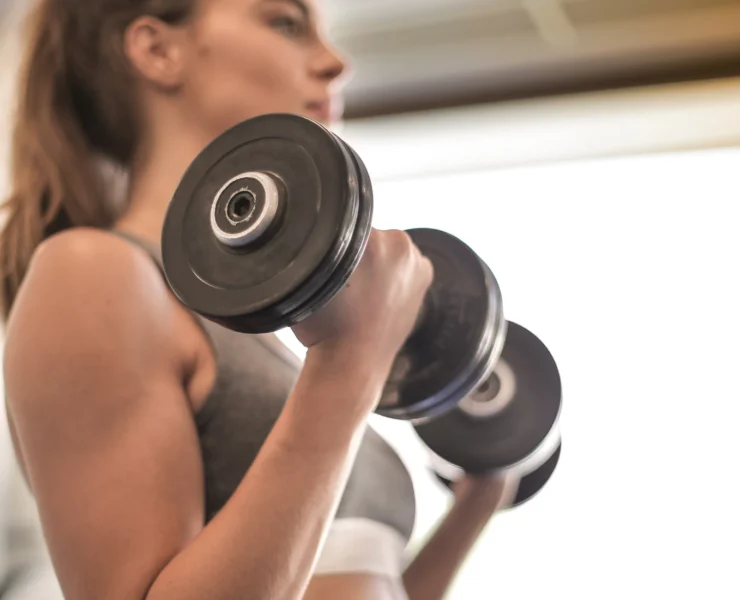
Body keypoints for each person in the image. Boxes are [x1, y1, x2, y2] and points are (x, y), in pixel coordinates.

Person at [0, 1, 513, 599]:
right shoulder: (92, 273)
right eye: (285, 23)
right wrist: (351, 364)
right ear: (157, 51)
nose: (334, 63)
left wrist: (479, 500)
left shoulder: (273, 337)